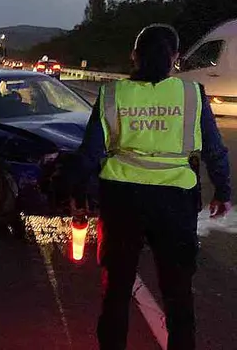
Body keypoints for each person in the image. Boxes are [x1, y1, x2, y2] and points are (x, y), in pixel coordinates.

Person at [72, 24, 232, 350]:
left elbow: (90, 153)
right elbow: (214, 150)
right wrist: (223, 191)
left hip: (121, 199)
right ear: (175, 58)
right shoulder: (192, 95)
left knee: (116, 289)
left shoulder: (112, 94)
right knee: (177, 293)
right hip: (175, 201)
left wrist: (79, 194)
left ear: (134, 57)